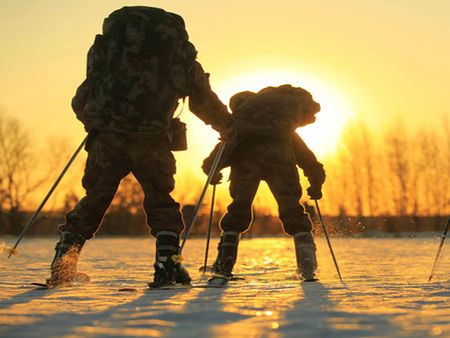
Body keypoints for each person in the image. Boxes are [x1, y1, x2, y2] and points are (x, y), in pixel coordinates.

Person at [46, 6, 234, 288]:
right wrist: (227, 127)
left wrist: (94, 122)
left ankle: (64, 262)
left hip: (107, 137)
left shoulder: (111, 51)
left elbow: (84, 95)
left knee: (95, 197)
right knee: (161, 200)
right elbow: (202, 100)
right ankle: (167, 265)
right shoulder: (179, 57)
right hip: (152, 139)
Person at [202, 85, 325, 281]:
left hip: (246, 168)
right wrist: (316, 182)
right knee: (293, 211)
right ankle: (307, 265)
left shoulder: (240, 123)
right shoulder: (281, 127)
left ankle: (223, 265)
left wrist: (211, 170)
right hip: (282, 162)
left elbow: (223, 150)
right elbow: (307, 157)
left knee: (237, 211)